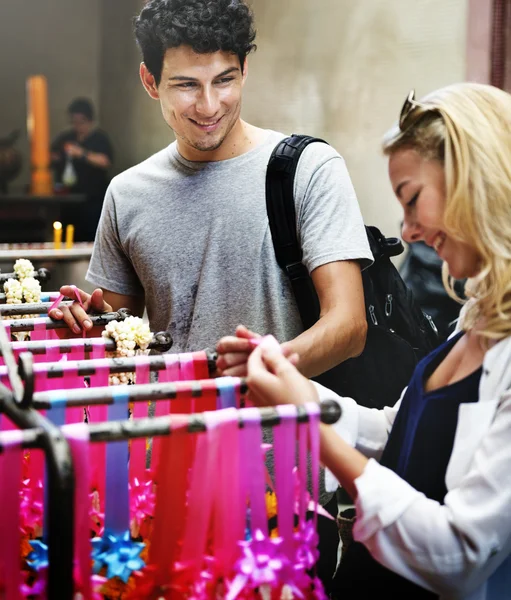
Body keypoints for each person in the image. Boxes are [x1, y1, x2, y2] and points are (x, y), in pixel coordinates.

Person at [48, 0, 372, 590]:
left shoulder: (307, 169)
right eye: (186, 86)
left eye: (225, 80)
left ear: (244, 70)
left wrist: (261, 373)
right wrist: (85, 326)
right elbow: (123, 337)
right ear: (150, 82)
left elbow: (348, 324)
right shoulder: (127, 194)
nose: (209, 105)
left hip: (286, 477)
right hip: (163, 476)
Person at [244, 82, 511, 599]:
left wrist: (311, 429)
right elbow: (398, 431)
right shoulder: (477, 317)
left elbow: (459, 555)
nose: (407, 231)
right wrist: (290, 382)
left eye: (413, 200)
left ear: (476, 183)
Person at [50, 97, 114, 241]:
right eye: (74, 122)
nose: (77, 126)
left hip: (92, 200)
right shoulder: (66, 137)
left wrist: (81, 154)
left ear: (90, 121)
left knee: (91, 238)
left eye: (81, 122)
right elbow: (51, 156)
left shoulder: (99, 138)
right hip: (68, 200)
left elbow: (105, 161)